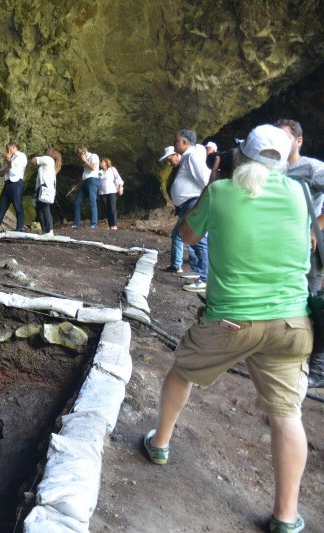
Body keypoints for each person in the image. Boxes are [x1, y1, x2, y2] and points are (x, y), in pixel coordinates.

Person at [143, 124, 310, 533]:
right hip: (292, 321)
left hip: (231, 320)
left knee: (183, 370)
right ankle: (286, 517)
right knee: (288, 414)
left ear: (241, 157)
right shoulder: (299, 193)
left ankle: (159, 443)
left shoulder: (221, 193)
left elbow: (187, 234)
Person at [276, 118, 324, 390]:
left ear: (298, 141)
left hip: (308, 247)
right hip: (281, 246)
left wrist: (315, 228)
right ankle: (287, 355)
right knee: (287, 298)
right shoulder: (274, 169)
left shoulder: (312, 168)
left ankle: (318, 367)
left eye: (285, 138)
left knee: (312, 304)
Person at [170, 129, 210, 292]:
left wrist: (203, 202)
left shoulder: (193, 156)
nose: (174, 145)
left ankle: (205, 277)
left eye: (176, 141)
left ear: (184, 142)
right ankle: (198, 271)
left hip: (192, 202)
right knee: (185, 235)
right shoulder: (189, 156)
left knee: (197, 239)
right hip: (187, 203)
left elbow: (204, 179)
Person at [161, 145, 200, 278]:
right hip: (184, 205)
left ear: (176, 154)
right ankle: (183, 265)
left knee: (184, 235)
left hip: (191, 203)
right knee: (183, 234)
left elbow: (201, 180)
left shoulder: (189, 162)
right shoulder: (179, 168)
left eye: (169, 159)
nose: (168, 162)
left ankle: (194, 268)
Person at [0, 142, 27, 233]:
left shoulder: (21, 156)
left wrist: (8, 161)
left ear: (14, 147)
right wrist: (8, 162)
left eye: (8, 149)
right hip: (7, 184)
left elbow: (13, 166)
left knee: (18, 206)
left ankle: (20, 228)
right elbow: (1, 173)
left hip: (16, 183)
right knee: (1, 207)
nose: (7, 151)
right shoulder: (11, 158)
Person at [31, 148, 60, 235]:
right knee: (39, 210)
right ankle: (45, 231)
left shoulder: (48, 159)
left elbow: (34, 160)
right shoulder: (53, 164)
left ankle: (49, 230)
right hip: (44, 188)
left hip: (45, 188)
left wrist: (33, 156)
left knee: (45, 209)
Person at [70, 145, 100, 229]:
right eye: (78, 154)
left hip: (93, 180)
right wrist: (77, 185)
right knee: (77, 202)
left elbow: (93, 167)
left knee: (92, 201)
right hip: (85, 181)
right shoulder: (85, 161)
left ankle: (94, 224)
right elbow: (85, 175)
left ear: (84, 151)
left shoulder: (94, 156)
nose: (79, 155)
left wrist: (85, 160)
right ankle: (77, 224)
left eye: (80, 153)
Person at [99, 157, 124, 230]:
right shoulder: (99, 172)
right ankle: (110, 225)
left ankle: (114, 225)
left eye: (102, 162)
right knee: (107, 209)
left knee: (112, 208)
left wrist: (120, 186)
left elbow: (119, 178)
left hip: (112, 191)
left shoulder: (112, 170)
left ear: (106, 163)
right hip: (103, 193)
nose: (101, 163)